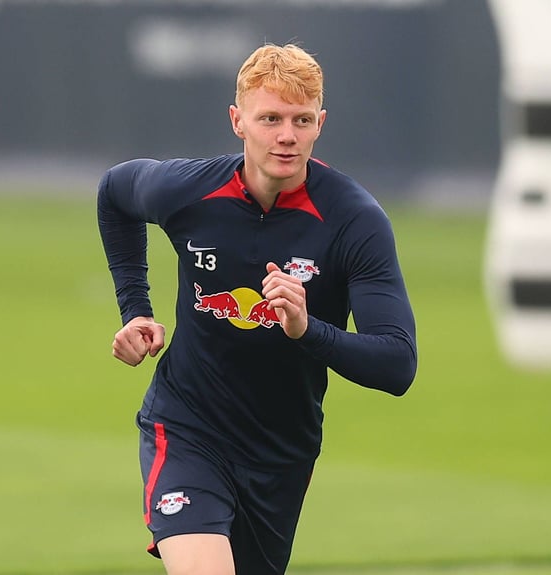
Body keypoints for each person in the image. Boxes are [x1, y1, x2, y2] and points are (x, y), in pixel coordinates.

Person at [96, 43, 418, 574]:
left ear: (321, 124)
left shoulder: (354, 221)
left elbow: (397, 364)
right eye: (270, 118)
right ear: (237, 120)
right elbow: (114, 194)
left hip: (281, 452)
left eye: (301, 120)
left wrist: (306, 328)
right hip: (186, 427)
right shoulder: (188, 191)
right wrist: (136, 310)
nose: (287, 136)